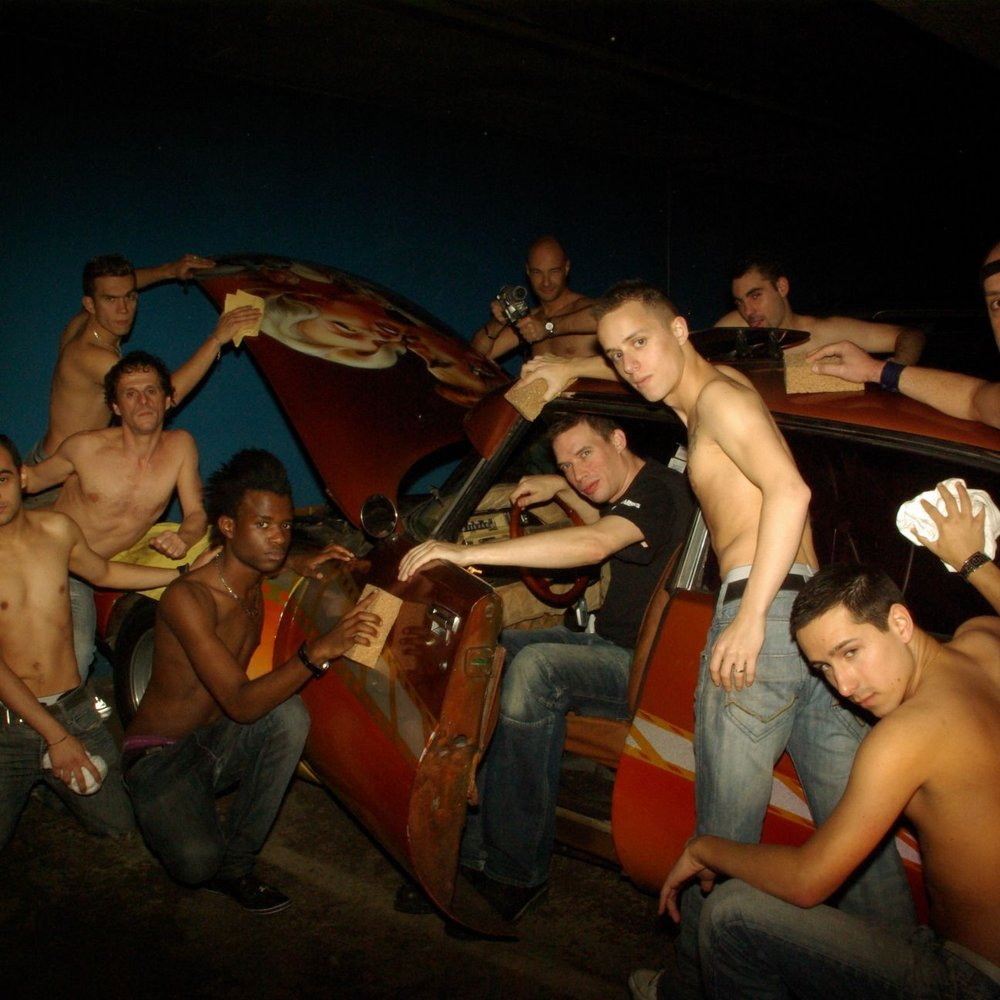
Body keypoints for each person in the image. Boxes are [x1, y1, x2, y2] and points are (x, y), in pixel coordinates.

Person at [515, 281, 913, 997]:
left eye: (640, 342)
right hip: (811, 627)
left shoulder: (722, 401)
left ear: (680, 326)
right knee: (855, 826)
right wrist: (576, 370)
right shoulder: (704, 400)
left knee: (723, 830)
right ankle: (906, 972)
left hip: (762, 610)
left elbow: (790, 494)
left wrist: (754, 616)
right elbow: (654, 379)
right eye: (615, 353)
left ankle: (699, 983)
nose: (629, 363)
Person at [398, 413, 695, 921]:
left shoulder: (662, 490)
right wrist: (560, 484)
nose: (579, 472)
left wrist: (464, 552)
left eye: (586, 454)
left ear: (618, 440)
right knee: (489, 652)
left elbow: (594, 543)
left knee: (535, 669)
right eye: (566, 463)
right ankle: (468, 851)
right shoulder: (636, 490)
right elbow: (601, 517)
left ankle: (516, 872)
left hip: (646, 667)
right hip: (607, 644)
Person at [658, 563, 1000, 999]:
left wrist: (704, 848)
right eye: (824, 667)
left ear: (899, 622)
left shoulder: (906, 734)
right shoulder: (985, 646)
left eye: (851, 652)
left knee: (730, 915)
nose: (844, 685)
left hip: (968, 980)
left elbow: (807, 881)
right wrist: (974, 564)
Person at [123, 449, 380, 914]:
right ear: (226, 527)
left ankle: (237, 867)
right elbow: (241, 704)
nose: (278, 538)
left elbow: (272, 560)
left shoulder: (254, 568)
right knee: (195, 864)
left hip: (216, 738)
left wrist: (302, 558)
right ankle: (166, 812)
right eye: (263, 526)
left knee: (289, 716)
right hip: (162, 756)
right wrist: (316, 652)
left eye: (284, 525)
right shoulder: (188, 600)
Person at [0, 433, 209, 851]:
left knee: (121, 825)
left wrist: (183, 574)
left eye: (1, 478)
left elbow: (104, 573)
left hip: (73, 709)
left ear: (22, 477)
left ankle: (50, 784)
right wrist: (56, 740)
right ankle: (38, 775)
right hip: (10, 724)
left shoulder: (57, 530)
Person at [24, 352, 209, 690]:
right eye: (131, 393)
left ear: (168, 399)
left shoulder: (181, 446)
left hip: (101, 567)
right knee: (58, 655)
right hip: (51, 558)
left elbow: (196, 513)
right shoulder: (85, 448)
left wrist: (185, 535)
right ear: (116, 407)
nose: (143, 401)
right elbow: (31, 481)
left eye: (151, 391)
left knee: (77, 661)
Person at [30, 252, 260, 466]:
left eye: (130, 297)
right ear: (90, 304)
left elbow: (122, 285)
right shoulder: (95, 358)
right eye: (111, 300)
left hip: (53, 454)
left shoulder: (81, 322)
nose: (124, 309)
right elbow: (166, 396)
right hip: (58, 475)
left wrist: (170, 270)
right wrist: (217, 339)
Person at [806, 239, 1000, 429]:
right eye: (998, 303)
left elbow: (911, 335)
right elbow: (971, 400)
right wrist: (875, 370)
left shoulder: (828, 327)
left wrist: (896, 362)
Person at [714, 254, 925, 362]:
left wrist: (896, 370)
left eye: (755, 296)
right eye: (740, 302)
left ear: (781, 287)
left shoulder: (825, 333)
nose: (748, 311)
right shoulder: (734, 329)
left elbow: (909, 335)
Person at [471, 235, 599, 364]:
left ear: (566, 268)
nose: (546, 282)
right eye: (537, 272)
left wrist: (548, 327)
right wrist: (498, 321)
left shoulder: (585, 309)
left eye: (554, 271)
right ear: (528, 271)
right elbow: (474, 356)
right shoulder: (530, 321)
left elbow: (607, 316)